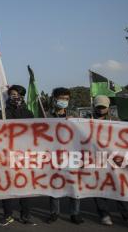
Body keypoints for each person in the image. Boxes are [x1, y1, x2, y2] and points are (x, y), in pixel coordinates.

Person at [89, 95, 128, 228]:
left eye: (103, 107)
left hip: (115, 160)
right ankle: (104, 214)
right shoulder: (86, 121)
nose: (100, 110)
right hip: (96, 160)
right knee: (99, 188)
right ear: (94, 107)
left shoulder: (116, 121)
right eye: (98, 107)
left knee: (120, 187)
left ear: (109, 108)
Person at [0, 85, 36, 227]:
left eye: (19, 94)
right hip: (7, 154)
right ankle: (7, 215)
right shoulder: (2, 113)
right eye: (13, 94)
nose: (16, 96)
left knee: (24, 185)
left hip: (24, 154)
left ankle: (25, 215)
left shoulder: (29, 113)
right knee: (7, 186)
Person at [46, 87, 83, 225]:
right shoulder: (46, 116)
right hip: (53, 155)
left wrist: (75, 122)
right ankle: (54, 213)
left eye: (66, 99)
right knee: (55, 184)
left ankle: (75, 213)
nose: (64, 101)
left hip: (72, 154)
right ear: (54, 99)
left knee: (74, 184)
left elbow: (83, 131)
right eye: (61, 98)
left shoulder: (74, 114)